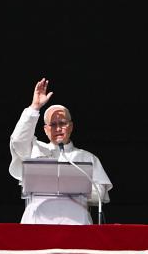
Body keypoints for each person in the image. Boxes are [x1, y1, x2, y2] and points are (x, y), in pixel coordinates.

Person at [9, 78, 112, 224]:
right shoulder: (35, 149)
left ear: (70, 126)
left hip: (76, 225)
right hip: (38, 222)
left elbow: (100, 194)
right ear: (45, 129)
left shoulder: (86, 157)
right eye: (53, 124)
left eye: (62, 123)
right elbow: (17, 141)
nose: (58, 128)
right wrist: (35, 107)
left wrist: (67, 188)